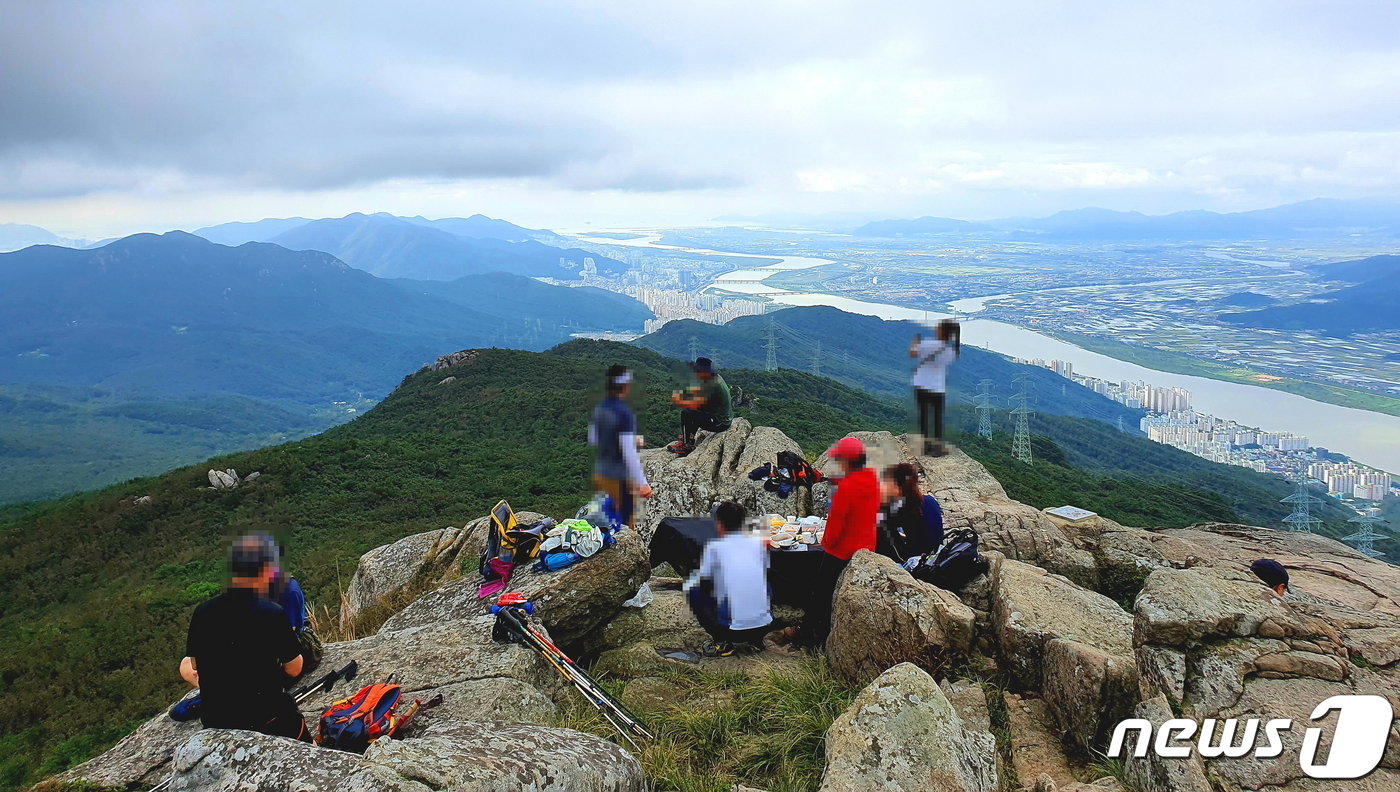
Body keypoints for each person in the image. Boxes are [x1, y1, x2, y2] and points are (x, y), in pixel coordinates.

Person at [176, 533, 309, 740]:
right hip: (268, 718)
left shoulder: (203, 611)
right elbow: (294, 668)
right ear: (265, 570)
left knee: (186, 665)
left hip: (217, 720)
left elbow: (194, 664)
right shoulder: (272, 612)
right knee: (311, 748)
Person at [789, 436, 881, 649]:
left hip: (841, 551)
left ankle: (810, 635)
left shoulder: (847, 487)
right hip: (866, 548)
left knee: (821, 593)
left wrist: (825, 543)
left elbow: (836, 526)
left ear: (848, 461)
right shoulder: (873, 479)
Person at [685, 501, 773, 657]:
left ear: (720, 525)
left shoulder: (715, 547)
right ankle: (756, 641)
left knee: (693, 589)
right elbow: (764, 569)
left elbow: (704, 581)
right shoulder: (757, 543)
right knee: (762, 583)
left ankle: (722, 641)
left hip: (732, 629)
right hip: (764, 624)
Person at [589, 364, 654, 530]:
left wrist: (629, 440)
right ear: (625, 386)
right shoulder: (624, 413)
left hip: (600, 474)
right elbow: (629, 454)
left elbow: (594, 439)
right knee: (624, 526)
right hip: (619, 479)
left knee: (603, 521)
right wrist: (643, 483)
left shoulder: (600, 408)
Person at [910, 320, 960, 457]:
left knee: (924, 416)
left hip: (921, 384)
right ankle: (938, 448)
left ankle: (926, 446)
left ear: (942, 331)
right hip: (937, 387)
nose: (935, 328)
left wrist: (915, 342)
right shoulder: (951, 351)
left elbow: (913, 353)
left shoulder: (927, 344)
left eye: (938, 327)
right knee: (937, 418)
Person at [876, 463, 944, 563]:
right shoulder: (929, 500)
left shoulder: (902, 508)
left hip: (917, 561)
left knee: (880, 525)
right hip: (938, 553)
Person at [666, 357, 733, 457]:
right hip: (715, 414)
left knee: (686, 413)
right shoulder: (710, 378)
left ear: (704, 372)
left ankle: (686, 446)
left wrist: (678, 399)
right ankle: (689, 439)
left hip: (720, 422)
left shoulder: (713, 385)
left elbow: (694, 404)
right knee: (692, 412)